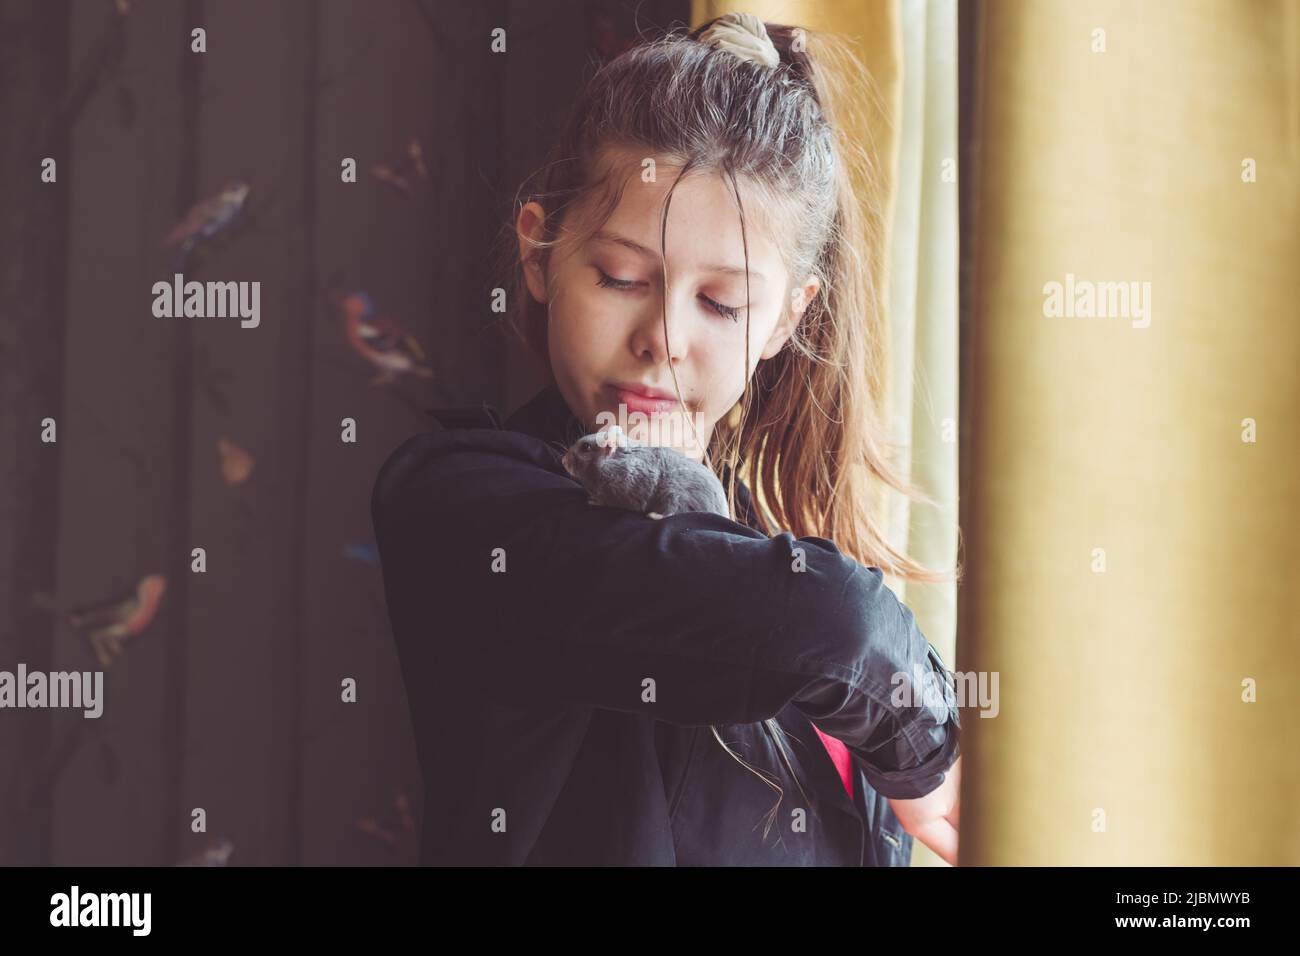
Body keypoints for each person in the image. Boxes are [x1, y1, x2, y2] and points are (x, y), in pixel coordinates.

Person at [371, 11, 962, 866]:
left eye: (721, 303)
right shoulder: (460, 506)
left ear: (786, 321)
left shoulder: (773, 543)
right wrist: (930, 752)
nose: (663, 336)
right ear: (540, 252)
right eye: (620, 277)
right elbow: (838, 627)